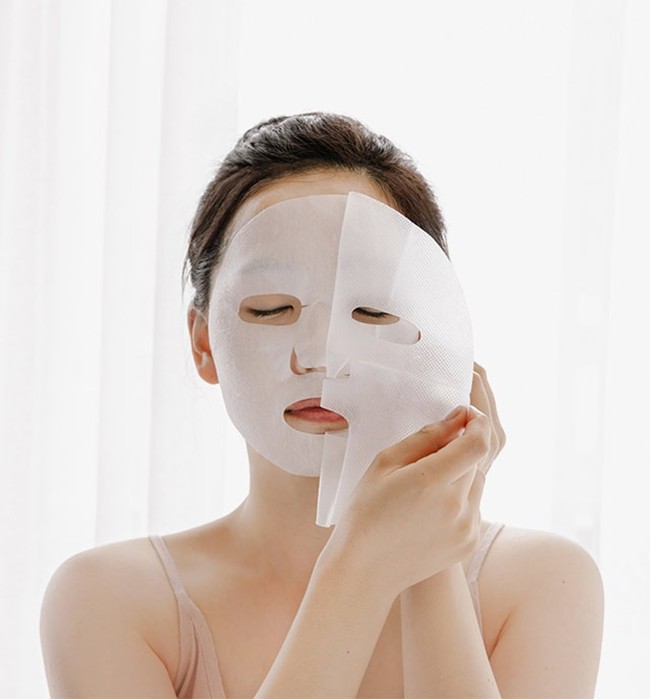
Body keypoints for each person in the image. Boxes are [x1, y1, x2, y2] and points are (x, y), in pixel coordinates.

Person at [40, 112, 604, 698]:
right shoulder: (108, 601)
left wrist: (432, 559)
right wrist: (360, 563)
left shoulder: (544, 583)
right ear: (203, 343)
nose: (321, 357)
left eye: (371, 310)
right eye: (272, 309)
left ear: (436, 334)